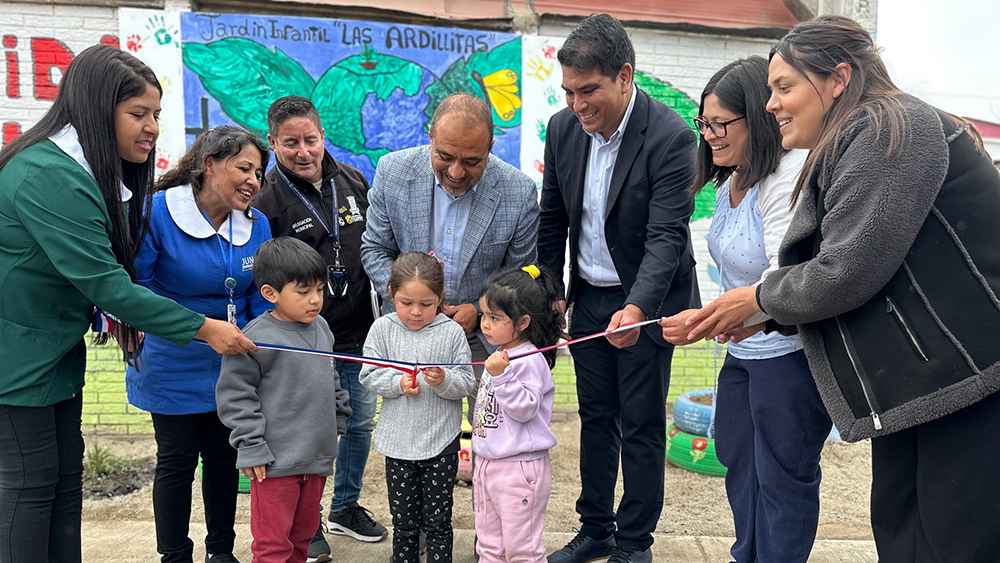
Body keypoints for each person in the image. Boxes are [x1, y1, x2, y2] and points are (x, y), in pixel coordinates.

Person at [680, 15, 1000, 563]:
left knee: (951, 538)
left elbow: (848, 268)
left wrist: (757, 301)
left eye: (784, 87)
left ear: (838, 79)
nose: (772, 104)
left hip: (969, 377)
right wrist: (762, 313)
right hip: (921, 383)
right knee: (903, 529)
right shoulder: (852, 141)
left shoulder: (890, 126)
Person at [0, 44, 254, 563]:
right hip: (17, 361)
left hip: (53, 356)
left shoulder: (88, 174)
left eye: (156, 114)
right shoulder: (49, 175)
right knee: (29, 489)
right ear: (97, 109)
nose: (152, 128)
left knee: (63, 485)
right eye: (139, 114)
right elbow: (110, 287)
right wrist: (207, 329)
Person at [536, 14, 698, 563]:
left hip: (645, 302)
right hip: (588, 297)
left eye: (589, 90)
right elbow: (552, 219)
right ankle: (596, 530)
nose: (577, 104)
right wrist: (552, 292)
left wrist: (637, 308)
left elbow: (666, 237)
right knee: (596, 417)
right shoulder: (562, 130)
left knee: (642, 425)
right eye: (569, 92)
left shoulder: (672, 137)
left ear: (625, 77)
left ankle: (633, 544)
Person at [658, 57, 829, 563]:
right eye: (704, 123)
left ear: (757, 119)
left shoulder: (786, 178)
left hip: (788, 357)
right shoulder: (732, 182)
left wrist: (710, 319)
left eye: (721, 124)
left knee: (782, 479)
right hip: (745, 352)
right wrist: (714, 318)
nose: (709, 135)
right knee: (739, 462)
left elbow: (782, 276)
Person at [126, 125, 272, 563]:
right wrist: (198, 328)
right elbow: (136, 289)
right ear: (209, 165)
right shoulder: (156, 213)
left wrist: (257, 340)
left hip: (232, 361)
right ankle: (174, 555)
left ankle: (221, 553)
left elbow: (259, 293)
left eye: (258, 173)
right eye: (243, 168)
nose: (253, 180)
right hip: (170, 359)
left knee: (224, 460)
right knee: (176, 462)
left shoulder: (257, 223)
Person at [253, 96, 386, 557]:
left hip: (359, 332)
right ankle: (305, 524)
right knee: (305, 430)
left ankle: (344, 508)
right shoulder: (266, 200)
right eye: (290, 143)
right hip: (303, 342)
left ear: (323, 136)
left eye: (310, 139)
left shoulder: (353, 181)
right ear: (273, 143)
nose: (303, 151)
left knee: (359, 423)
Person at [361, 92, 539, 419]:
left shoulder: (518, 191)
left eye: (472, 161)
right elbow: (375, 249)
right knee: (415, 428)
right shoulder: (392, 171)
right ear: (430, 136)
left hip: (484, 334)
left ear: (490, 149)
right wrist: (412, 301)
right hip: (410, 329)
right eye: (445, 156)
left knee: (491, 427)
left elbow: (520, 274)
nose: (456, 172)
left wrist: (478, 309)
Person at [216, 237, 352, 563]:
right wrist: (251, 446)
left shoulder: (322, 327)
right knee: (273, 547)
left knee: (302, 541)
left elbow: (330, 374)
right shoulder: (254, 338)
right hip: (273, 466)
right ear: (270, 293)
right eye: (303, 291)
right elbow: (235, 396)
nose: (315, 299)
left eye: (319, 289)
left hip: (316, 458)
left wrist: (338, 416)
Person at [359, 251, 478, 563]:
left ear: (441, 298)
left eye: (426, 304)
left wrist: (444, 380)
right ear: (391, 294)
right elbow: (369, 374)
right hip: (398, 445)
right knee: (404, 525)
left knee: (438, 523)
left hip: (441, 443)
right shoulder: (382, 329)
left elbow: (467, 382)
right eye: (405, 302)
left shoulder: (451, 332)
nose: (415, 312)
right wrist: (398, 383)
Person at [472, 265, 562, 563]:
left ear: (523, 322)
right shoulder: (501, 354)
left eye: (495, 317)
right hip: (488, 464)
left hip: (519, 470)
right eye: (484, 314)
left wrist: (502, 376)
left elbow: (524, 410)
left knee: (522, 550)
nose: (485, 324)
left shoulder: (529, 360)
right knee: (489, 546)